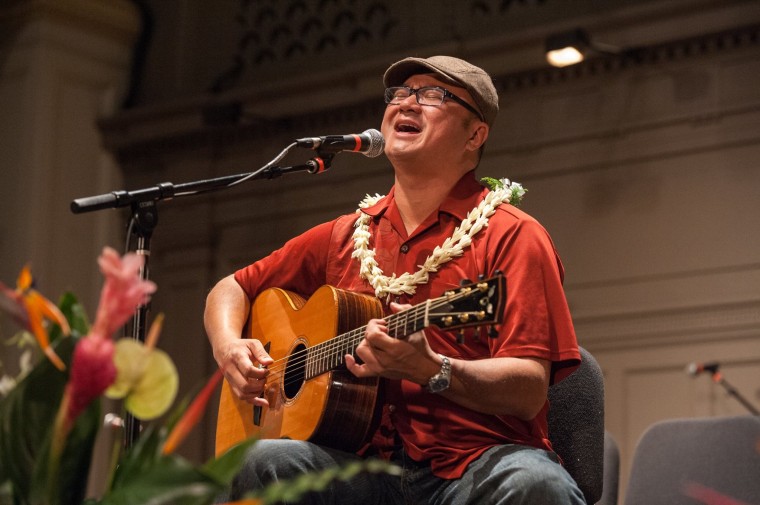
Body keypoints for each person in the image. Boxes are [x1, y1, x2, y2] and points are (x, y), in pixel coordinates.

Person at [204, 55, 585, 505]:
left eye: (433, 95)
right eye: (400, 94)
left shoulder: (513, 235)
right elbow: (231, 287)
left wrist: (433, 370)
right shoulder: (345, 234)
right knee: (258, 461)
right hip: (358, 468)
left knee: (536, 486)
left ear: (475, 134)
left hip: (473, 464)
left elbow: (527, 388)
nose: (407, 104)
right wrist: (229, 347)